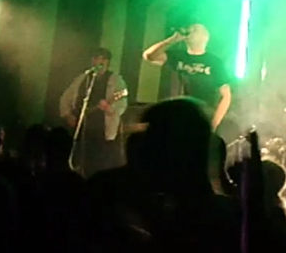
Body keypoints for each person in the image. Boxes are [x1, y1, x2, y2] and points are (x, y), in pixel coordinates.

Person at [142, 24, 232, 132]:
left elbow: (226, 95)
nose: (191, 31)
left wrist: (213, 123)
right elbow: (149, 56)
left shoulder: (214, 62)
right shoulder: (178, 56)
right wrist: (173, 39)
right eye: (190, 29)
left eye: (196, 30)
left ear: (205, 37)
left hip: (202, 114)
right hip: (179, 112)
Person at [59, 48, 128, 178]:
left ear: (106, 61)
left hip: (101, 128)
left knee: (97, 161)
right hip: (80, 125)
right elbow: (66, 97)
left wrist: (108, 108)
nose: (97, 61)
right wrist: (67, 115)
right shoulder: (83, 78)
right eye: (95, 57)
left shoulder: (116, 80)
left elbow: (122, 105)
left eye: (101, 58)